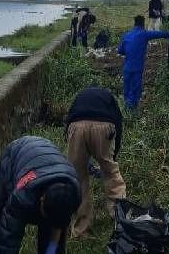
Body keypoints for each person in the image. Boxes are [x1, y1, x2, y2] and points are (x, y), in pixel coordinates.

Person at [0, 135, 80, 254]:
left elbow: (58, 227)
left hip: (45, 159)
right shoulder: (23, 195)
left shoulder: (72, 195)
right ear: (42, 198)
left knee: (49, 229)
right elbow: (9, 237)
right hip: (15, 154)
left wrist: (51, 249)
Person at [63, 86, 126, 237]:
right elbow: (118, 123)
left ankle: (80, 229)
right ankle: (120, 219)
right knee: (111, 173)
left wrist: (72, 146)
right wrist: (112, 156)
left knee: (78, 177)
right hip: (104, 126)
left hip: (76, 126)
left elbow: (68, 121)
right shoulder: (109, 98)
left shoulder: (79, 96)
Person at [116, 15, 169, 109]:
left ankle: (127, 111)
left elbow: (120, 50)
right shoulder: (144, 34)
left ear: (134, 24)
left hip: (126, 67)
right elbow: (160, 34)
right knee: (135, 90)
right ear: (143, 24)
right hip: (137, 68)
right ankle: (132, 112)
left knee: (127, 89)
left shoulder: (126, 35)